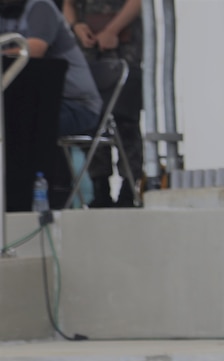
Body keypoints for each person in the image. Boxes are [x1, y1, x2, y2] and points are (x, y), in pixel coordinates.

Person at [62, 0, 141, 208]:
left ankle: (129, 188)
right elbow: (67, 4)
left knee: (125, 119)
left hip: (123, 46)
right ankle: (100, 186)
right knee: (92, 118)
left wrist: (112, 30)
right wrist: (76, 25)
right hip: (88, 51)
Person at [0, 0, 102, 136]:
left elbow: (34, 50)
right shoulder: (5, 10)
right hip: (30, 100)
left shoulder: (40, 6)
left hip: (73, 104)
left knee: (13, 124)